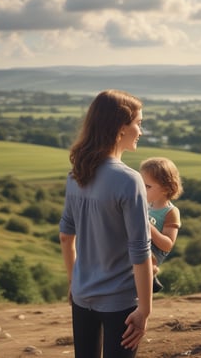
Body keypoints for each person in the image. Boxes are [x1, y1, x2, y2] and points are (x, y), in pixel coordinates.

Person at [59, 89, 153, 358]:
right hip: (120, 301)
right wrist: (144, 309)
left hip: (81, 294)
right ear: (120, 128)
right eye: (138, 123)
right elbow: (140, 250)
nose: (141, 131)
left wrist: (73, 282)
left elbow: (66, 236)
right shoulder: (128, 180)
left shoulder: (76, 174)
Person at [139, 157, 183, 293]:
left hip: (153, 250)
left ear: (165, 188)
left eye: (148, 186)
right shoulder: (146, 205)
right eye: (141, 184)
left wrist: (147, 226)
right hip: (141, 245)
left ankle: (151, 272)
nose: (142, 189)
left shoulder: (170, 212)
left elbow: (167, 244)